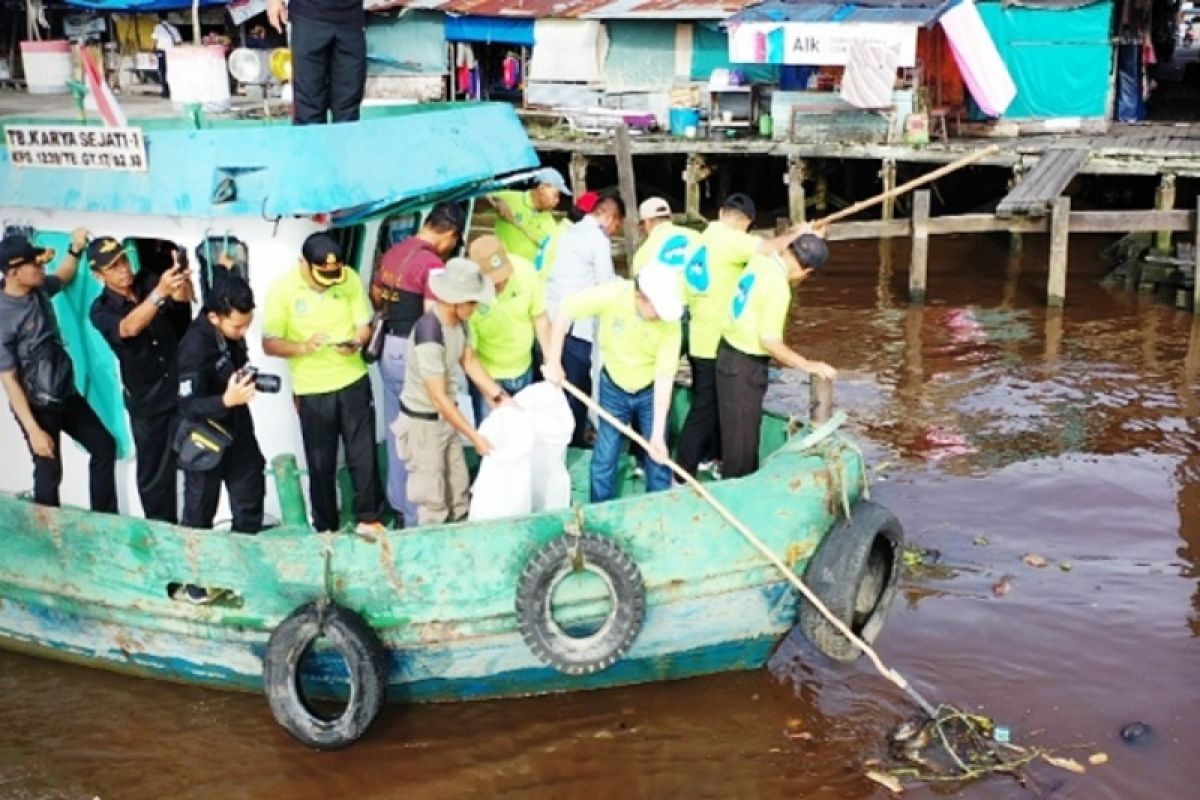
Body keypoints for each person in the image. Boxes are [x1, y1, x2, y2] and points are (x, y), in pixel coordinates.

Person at [676, 193, 806, 479]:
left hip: (699, 333)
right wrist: (800, 233)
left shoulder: (706, 235)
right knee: (705, 409)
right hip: (713, 341)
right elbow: (768, 248)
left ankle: (709, 458)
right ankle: (682, 469)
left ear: (722, 211)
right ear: (746, 223)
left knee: (710, 405)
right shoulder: (730, 240)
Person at [263, 233, 384, 534]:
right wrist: (303, 347)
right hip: (312, 389)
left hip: (353, 379)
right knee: (321, 463)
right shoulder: (282, 291)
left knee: (363, 455)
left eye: (333, 275)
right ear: (303, 264)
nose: (328, 282)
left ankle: (369, 518)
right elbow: (270, 343)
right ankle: (325, 527)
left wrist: (357, 341)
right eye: (322, 276)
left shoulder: (349, 279)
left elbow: (364, 325)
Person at [544, 264, 683, 502]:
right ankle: (600, 507)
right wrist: (554, 362)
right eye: (658, 309)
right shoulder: (613, 295)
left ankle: (659, 507)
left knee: (658, 453)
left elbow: (664, 378)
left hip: (650, 390)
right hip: (614, 387)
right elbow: (565, 311)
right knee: (606, 451)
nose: (661, 315)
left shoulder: (670, 326)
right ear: (642, 298)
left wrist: (658, 433)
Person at [0, 232, 117, 513]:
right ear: (14, 273)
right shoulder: (3, 316)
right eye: (35, 264)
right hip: (36, 403)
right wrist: (34, 431)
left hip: (64, 391)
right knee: (49, 470)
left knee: (103, 446)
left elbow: (63, 277)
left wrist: (75, 250)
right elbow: (10, 381)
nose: (42, 267)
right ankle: (46, 537)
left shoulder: (38, 288)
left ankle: (105, 520)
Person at [392, 257, 511, 526]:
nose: (477, 307)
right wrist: (475, 436)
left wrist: (500, 398)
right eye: (473, 302)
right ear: (456, 301)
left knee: (458, 490)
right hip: (424, 425)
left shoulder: (461, 322)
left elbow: (469, 362)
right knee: (433, 502)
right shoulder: (429, 333)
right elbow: (438, 397)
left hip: (447, 419)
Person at [370, 203, 465, 525]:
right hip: (415, 353)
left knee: (399, 430)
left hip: (388, 349)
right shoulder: (431, 265)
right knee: (424, 437)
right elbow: (433, 317)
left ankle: (399, 506)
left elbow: (376, 296)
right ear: (450, 235)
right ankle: (419, 517)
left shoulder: (394, 253)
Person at [88, 236, 193, 523]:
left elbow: (180, 313)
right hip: (148, 402)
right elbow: (129, 328)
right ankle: (162, 535)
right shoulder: (100, 309)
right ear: (99, 276)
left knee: (199, 461)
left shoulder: (146, 279)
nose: (123, 269)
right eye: (113, 267)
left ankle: (197, 528)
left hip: (180, 389)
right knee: (155, 477)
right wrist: (160, 292)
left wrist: (181, 283)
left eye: (123, 260)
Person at [716, 234, 836, 480]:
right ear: (807, 272)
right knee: (742, 447)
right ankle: (737, 495)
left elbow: (772, 244)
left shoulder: (762, 260)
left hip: (725, 352)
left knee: (734, 434)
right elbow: (769, 341)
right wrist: (807, 364)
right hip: (744, 366)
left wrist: (804, 231)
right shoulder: (779, 288)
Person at [176, 274, 266, 536]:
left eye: (247, 326)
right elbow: (187, 406)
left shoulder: (232, 334)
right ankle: (192, 577)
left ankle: (245, 567)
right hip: (204, 436)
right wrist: (225, 400)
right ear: (214, 317)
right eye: (237, 327)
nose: (242, 333)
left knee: (250, 499)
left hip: (237, 429)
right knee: (198, 517)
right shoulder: (194, 347)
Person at [543, 194, 625, 446]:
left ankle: (562, 440)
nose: (613, 232)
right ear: (610, 217)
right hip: (577, 326)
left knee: (560, 388)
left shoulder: (569, 232)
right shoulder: (597, 240)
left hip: (552, 318)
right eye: (617, 226)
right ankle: (575, 443)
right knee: (577, 390)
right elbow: (606, 284)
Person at [465, 235, 550, 424]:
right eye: (493, 283)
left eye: (504, 277)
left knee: (523, 433)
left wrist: (551, 360)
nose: (501, 285)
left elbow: (540, 318)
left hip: (524, 369)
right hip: (490, 376)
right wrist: (494, 394)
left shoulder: (525, 271)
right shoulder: (468, 299)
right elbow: (469, 358)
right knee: (493, 441)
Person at [267, 0, 366, 124]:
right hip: (308, 17)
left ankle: (345, 142)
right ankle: (309, 142)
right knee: (308, 106)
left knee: (348, 106)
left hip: (351, 20)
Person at [487, 167, 570, 262]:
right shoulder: (510, 199)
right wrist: (495, 203)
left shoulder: (550, 222)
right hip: (503, 267)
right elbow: (476, 203)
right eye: (556, 195)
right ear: (542, 188)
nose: (557, 200)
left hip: (527, 273)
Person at [151, 13, 182, 99]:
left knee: (163, 71)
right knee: (172, 71)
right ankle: (173, 90)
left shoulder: (157, 28)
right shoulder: (173, 28)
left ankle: (165, 91)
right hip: (172, 52)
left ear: (159, 18)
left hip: (162, 52)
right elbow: (179, 42)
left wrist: (151, 52)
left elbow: (154, 41)